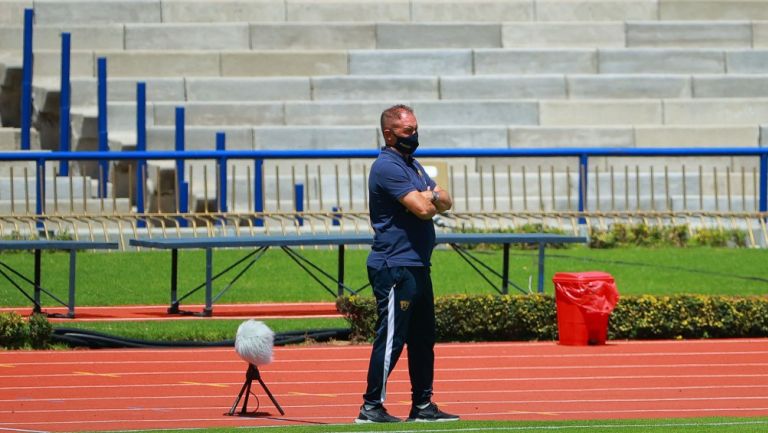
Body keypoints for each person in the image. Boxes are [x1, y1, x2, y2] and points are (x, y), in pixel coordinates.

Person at [355, 105, 458, 423]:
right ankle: (371, 406)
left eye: (415, 128)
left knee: (424, 337)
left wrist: (430, 195)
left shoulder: (411, 165)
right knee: (392, 338)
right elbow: (425, 209)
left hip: (417, 264)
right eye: (407, 131)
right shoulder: (388, 166)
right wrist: (429, 197)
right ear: (389, 133)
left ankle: (422, 405)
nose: (414, 135)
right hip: (394, 265)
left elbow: (447, 200)